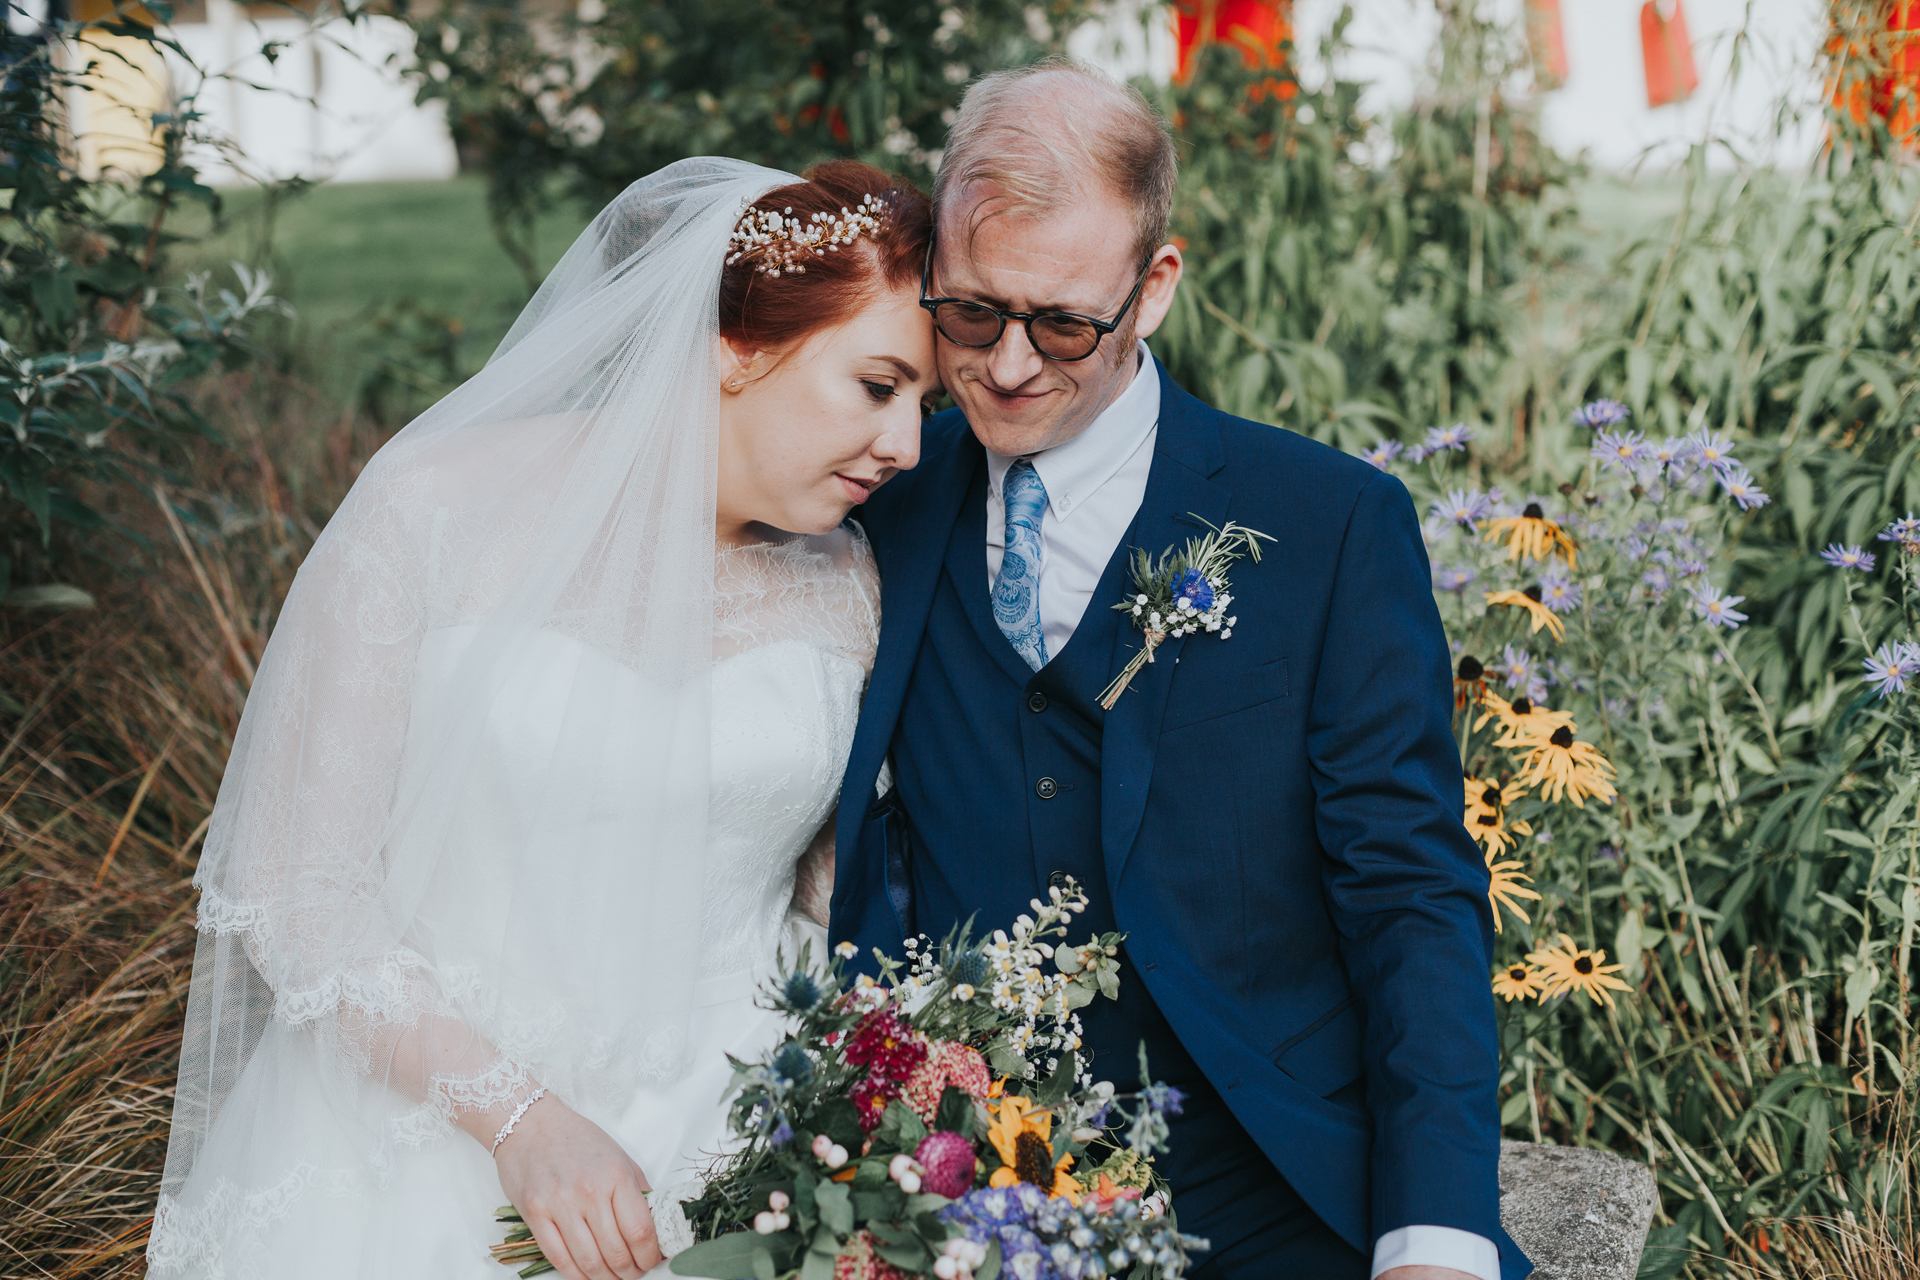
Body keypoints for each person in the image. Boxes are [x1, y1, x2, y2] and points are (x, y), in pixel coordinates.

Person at [146, 158, 938, 1280]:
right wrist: (521, 1120)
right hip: (424, 1136)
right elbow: (297, 888)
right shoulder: (431, 509)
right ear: (737, 348)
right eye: (877, 385)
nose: (906, 444)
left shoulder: (848, 580)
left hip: (742, 1149)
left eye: (923, 403)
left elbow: (826, 890)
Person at [829, 61, 1532, 1280]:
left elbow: (1410, 890)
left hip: (1277, 1189)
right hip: (967, 1201)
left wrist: (1436, 1233)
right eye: (971, 314)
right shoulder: (876, 509)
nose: (1003, 368)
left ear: (1153, 288)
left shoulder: (1328, 523)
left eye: (1060, 324)